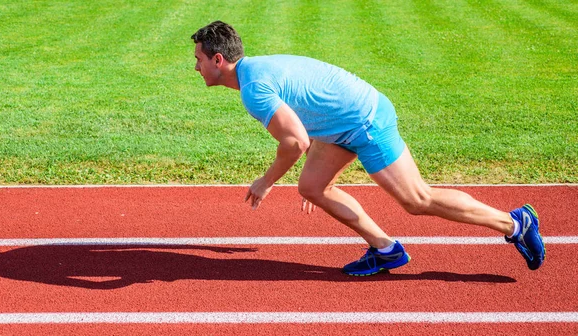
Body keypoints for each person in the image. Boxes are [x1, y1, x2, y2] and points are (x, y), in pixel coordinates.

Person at [190, 21, 545, 276]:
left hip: (366, 121)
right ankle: (386, 249)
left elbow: (295, 141)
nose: (196, 66)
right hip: (340, 123)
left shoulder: (254, 89)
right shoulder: (256, 71)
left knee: (417, 200)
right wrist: (316, 165)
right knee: (313, 187)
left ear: (218, 59)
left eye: (200, 59)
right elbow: (308, 114)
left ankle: (514, 223)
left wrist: (267, 180)